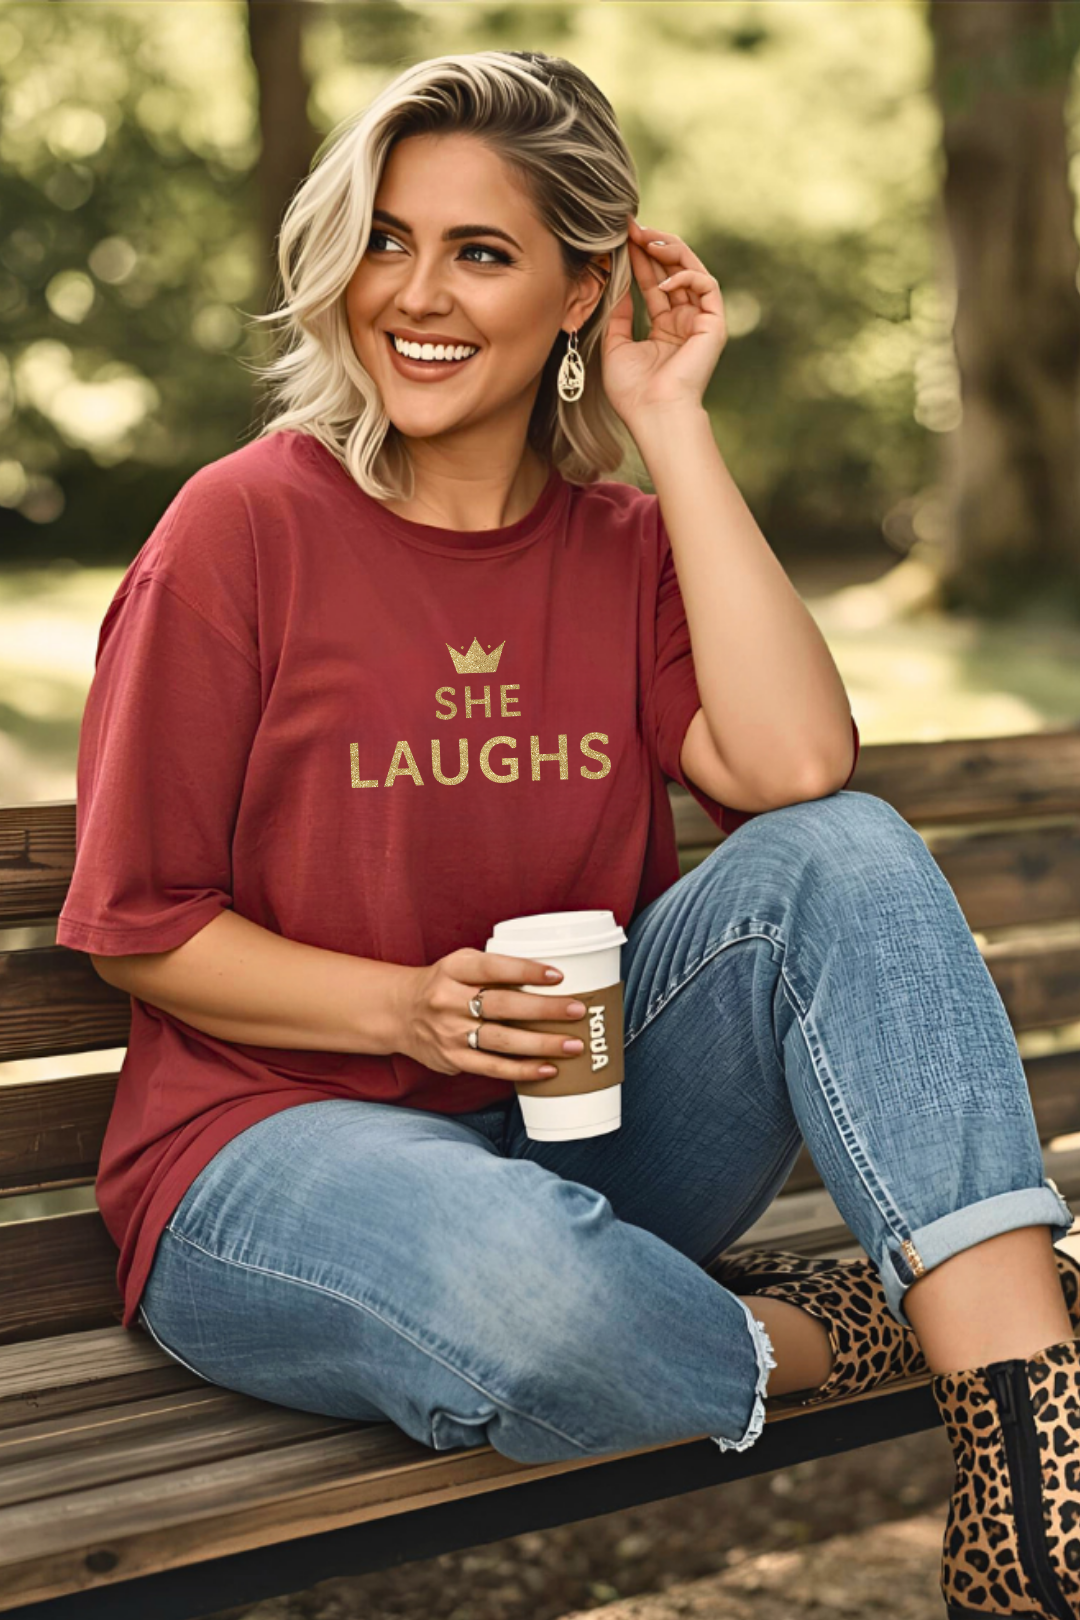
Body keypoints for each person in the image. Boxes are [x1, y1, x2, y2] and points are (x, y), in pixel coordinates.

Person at [57, 49, 1080, 1620]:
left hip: (583, 1137)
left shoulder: (620, 546)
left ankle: (1043, 1505)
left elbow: (798, 769)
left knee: (848, 849)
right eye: (387, 238)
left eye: (481, 251)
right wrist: (403, 1005)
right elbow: (143, 923)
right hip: (269, 1158)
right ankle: (848, 1329)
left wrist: (670, 423)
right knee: (533, 1295)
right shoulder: (242, 527)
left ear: (581, 291)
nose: (416, 292)